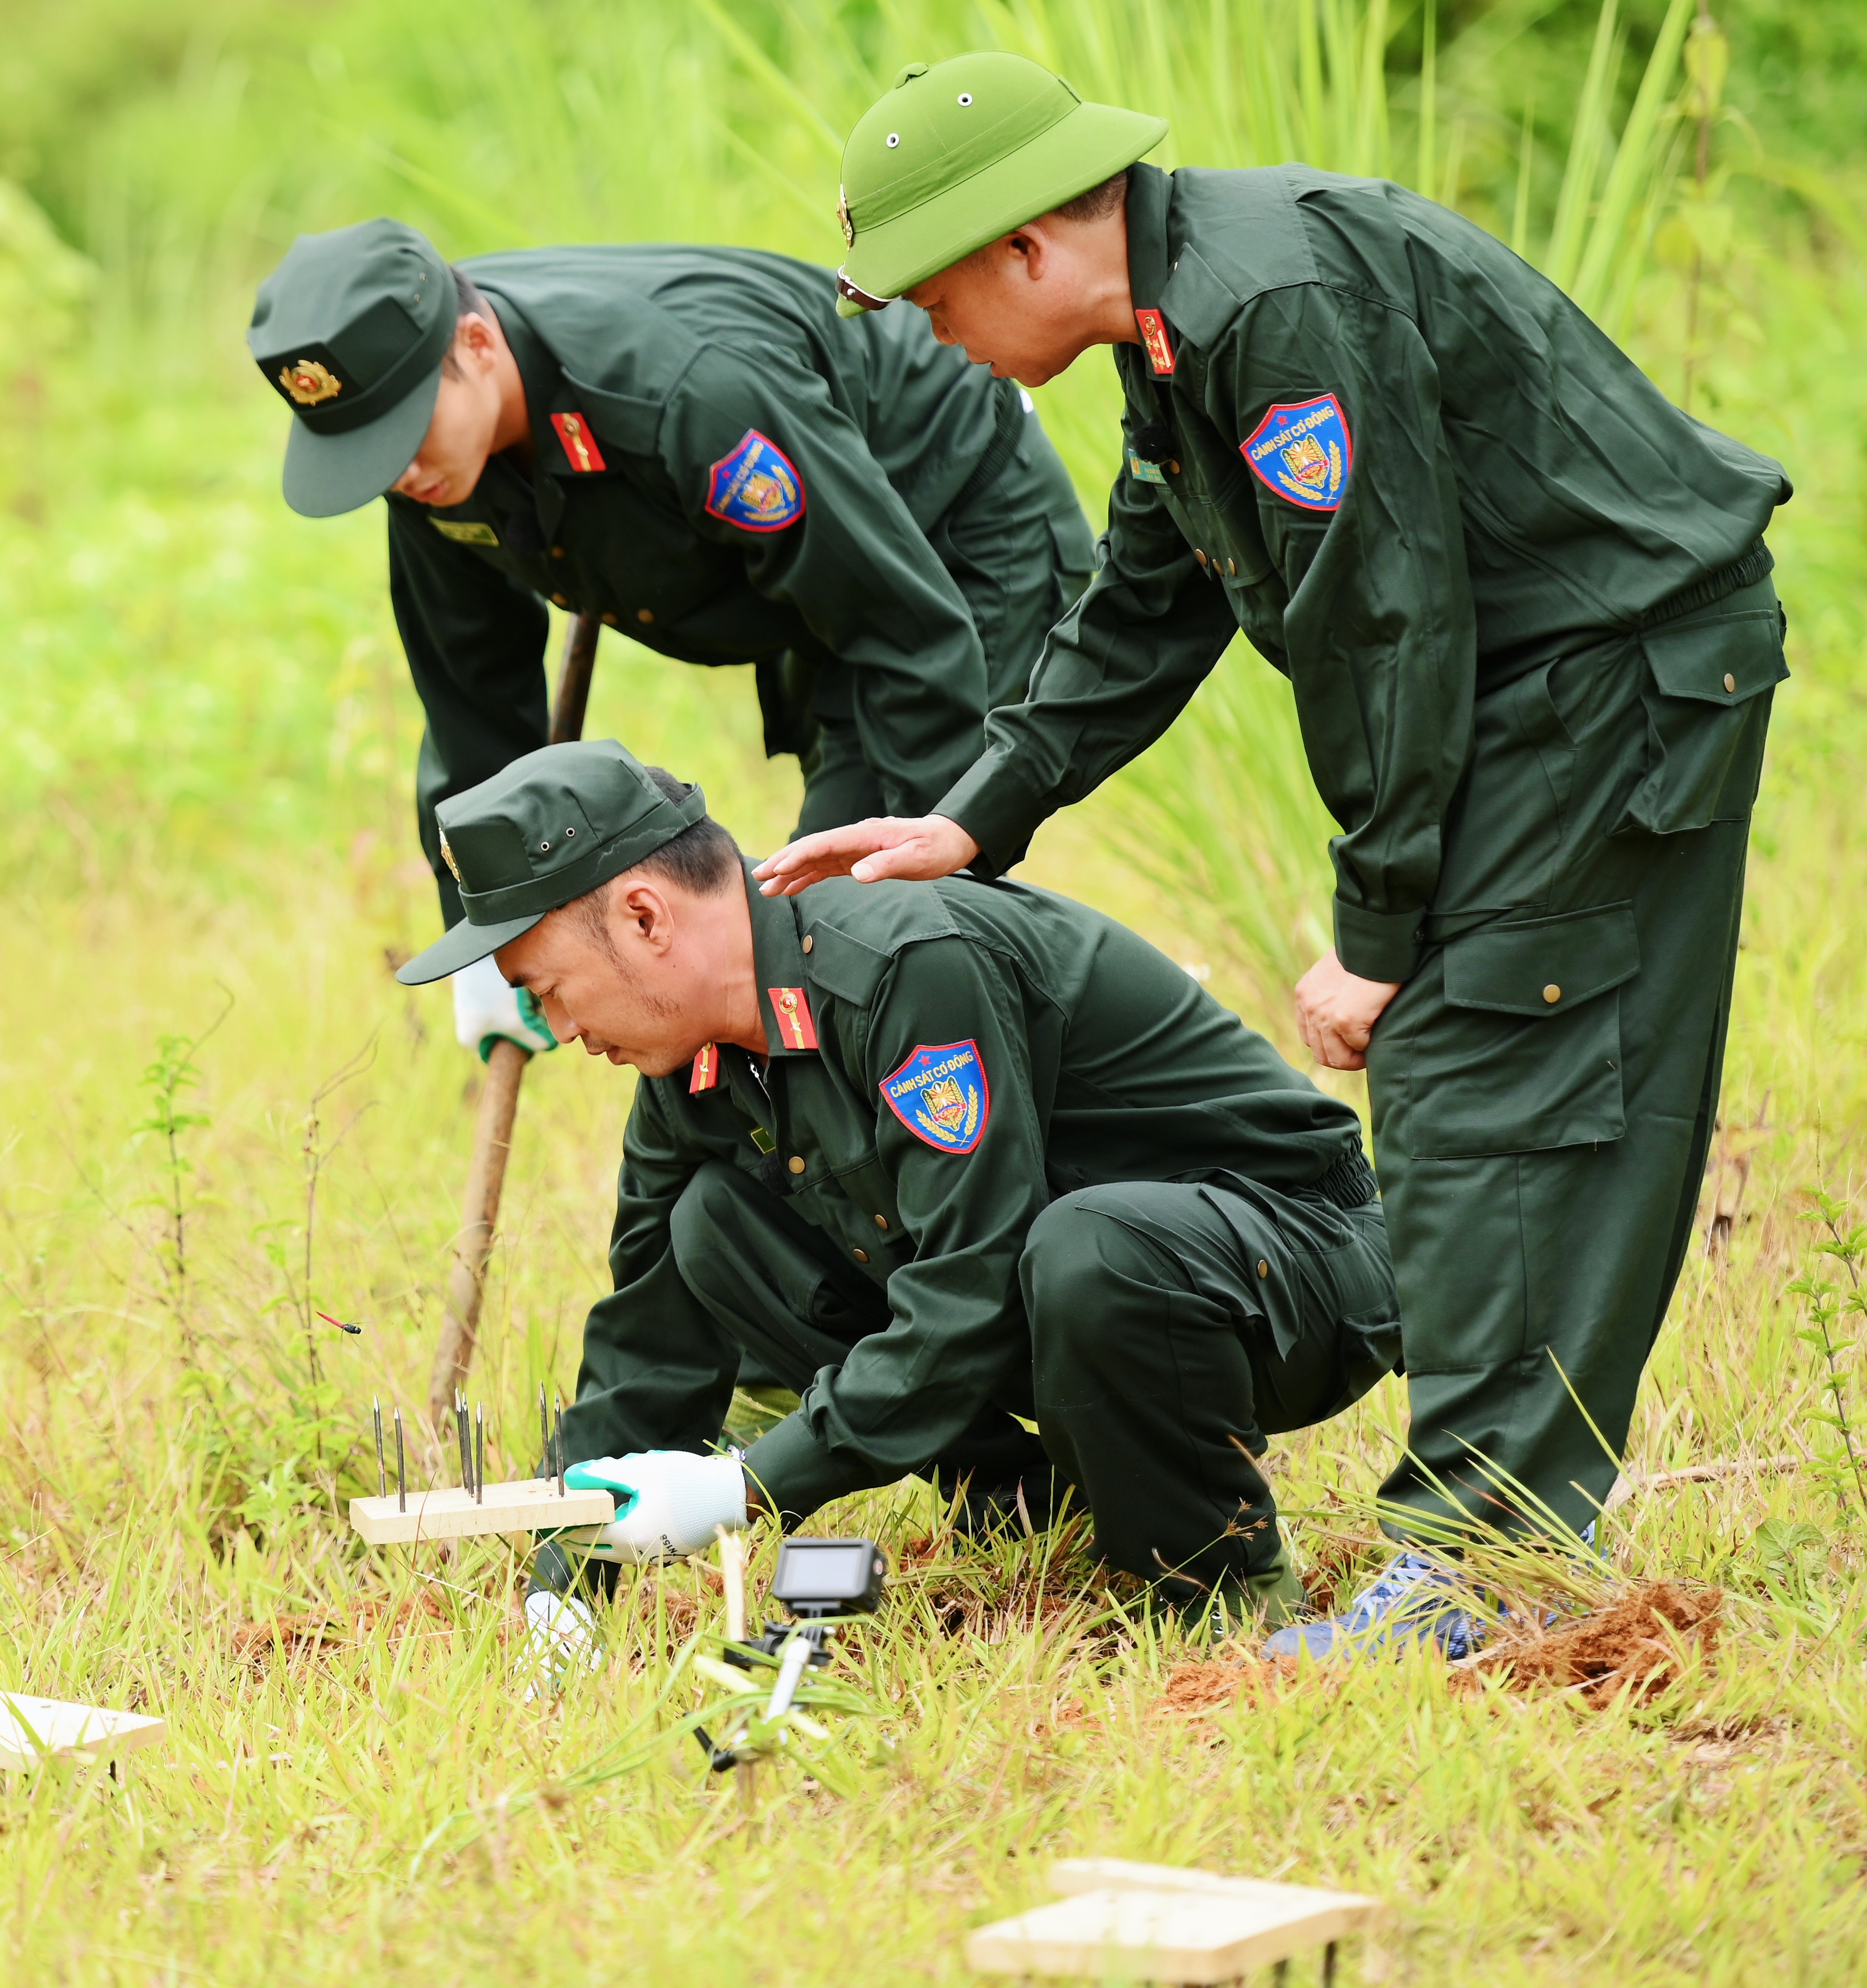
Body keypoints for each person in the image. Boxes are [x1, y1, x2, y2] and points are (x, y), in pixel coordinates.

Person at [752, 52, 1791, 1657]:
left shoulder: (1264, 306)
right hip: (1537, 679)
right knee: (1477, 1066)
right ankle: (1491, 1541)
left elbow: (1384, 623)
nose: (926, 335)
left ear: (1026, 245)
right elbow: (1145, 600)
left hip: (1602, 676)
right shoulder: (1172, 332)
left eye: (932, 294)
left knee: (1487, 1065)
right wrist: (969, 814)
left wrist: (1375, 928)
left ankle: (1474, 1565)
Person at [395, 740, 1399, 1648]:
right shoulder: (690, 1066)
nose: (556, 1027)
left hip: (1292, 1260)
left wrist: (746, 1483)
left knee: (1084, 1247)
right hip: (1093, 1293)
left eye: (549, 986)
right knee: (716, 1231)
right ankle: (1043, 1506)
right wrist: (568, 1583)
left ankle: (1216, 1590)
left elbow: (975, 1276)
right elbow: (647, 1333)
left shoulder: (903, 967)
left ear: (645, 916)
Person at [247, 217, 1093, 1062]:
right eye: (367, 454)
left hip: (954, 527)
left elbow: (906, 632)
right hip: (827, 572)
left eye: (401, 438)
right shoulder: (423, 450)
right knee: (822, 933)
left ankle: (1021, 1106)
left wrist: (913, 875)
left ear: (474, 343)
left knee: (855, 922)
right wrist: (482, 921)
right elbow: (471, 691)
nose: (398, 474)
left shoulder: (682, 393)